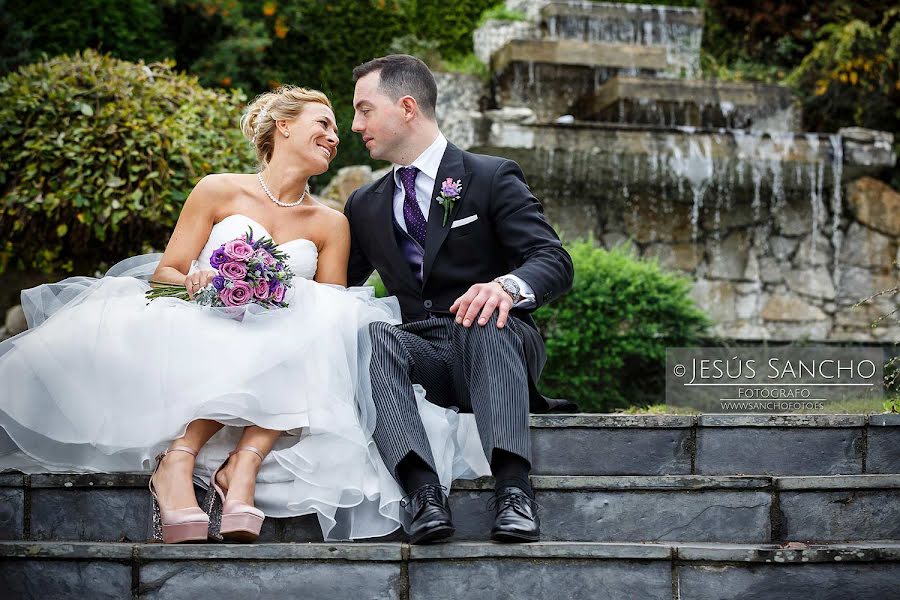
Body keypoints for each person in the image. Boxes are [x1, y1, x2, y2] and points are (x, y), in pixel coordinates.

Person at [0, 85, 489, 543]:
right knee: (267, 326)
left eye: (339, 131)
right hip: (199, 316)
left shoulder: (331, 223)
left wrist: (272, 295)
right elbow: (163, 278)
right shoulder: (218, 190)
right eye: (324, 123)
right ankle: (182, 459)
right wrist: (206, 285)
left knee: (325, 322)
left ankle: (245, 461)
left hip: (285, 339)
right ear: (283, 126)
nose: (336, 138)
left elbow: (334, 307)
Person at [344, 55, 574, 544]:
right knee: (372, 336)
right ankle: (423, 494)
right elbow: (334, 287)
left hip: (497, 344)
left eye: (365, 110)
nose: (355, 124)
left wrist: (505, 287)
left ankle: (514, 491)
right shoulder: (363, 205)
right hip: (423, 354)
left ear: (407, 107)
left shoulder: (490, 176)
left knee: (484, 320)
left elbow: (552, 259)